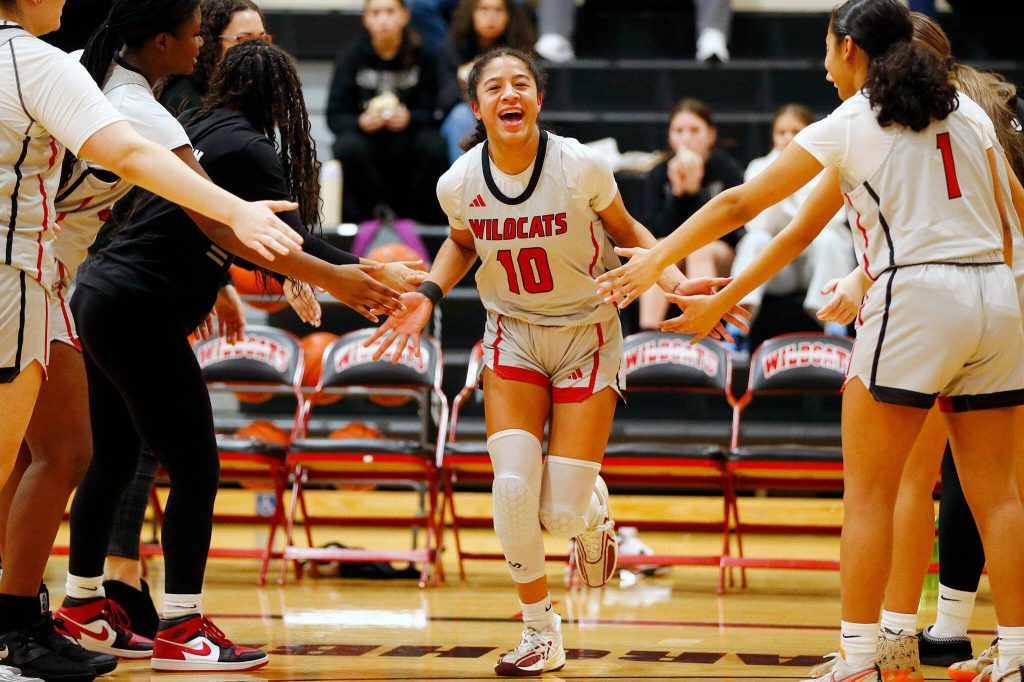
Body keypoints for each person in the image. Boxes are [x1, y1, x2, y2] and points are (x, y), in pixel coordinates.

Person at [595, 1, 1024, 681]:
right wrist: (735, 296)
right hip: (998, 297)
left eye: (827, 51)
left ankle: (860, 656)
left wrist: (657, 258)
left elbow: (743, 205)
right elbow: (1014, 217)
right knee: (1000, 492)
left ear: (851, 49)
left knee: (871, 493)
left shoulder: (854, 120)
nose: (823, 68)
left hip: (916, 298)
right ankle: (1018, 653)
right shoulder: (968, 114)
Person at [365, 46, 747, 677]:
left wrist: (675, 281)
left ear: (538, 99)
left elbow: (628, 234)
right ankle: (541, 629)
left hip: (586, 334)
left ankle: (593, 513)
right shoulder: (457, 182)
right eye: (495, 87)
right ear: (477, 105)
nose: (509, 94)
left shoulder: (580, 166)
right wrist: (429, 291)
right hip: (511, 333)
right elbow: (464, 243)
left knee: (560, 514)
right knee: (512, 489)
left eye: (522, 84)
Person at [51, 40, 411, 674]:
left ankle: (83, 606)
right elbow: (285, 245)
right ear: (282, 99)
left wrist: (362, 268)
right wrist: (354, 277)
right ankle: (183, 628)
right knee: (196, 470)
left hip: (97, 297)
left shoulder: (197, 127)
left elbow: (254, 244)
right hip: (141, 312)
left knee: (111, 459)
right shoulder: (251, 149)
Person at [0, 0, 301, 676]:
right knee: (37, 462)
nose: (67, 0)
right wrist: (240, 214)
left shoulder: (76, 70)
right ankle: (102, 618)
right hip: (26, 274)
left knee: (69, 452)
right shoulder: (47, 66)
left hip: (62, 281)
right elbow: (146, 166)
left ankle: (33, 615)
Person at [872, 12, 1024, 681]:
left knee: (916, 476)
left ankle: (891, 641)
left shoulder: (915, 114)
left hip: (955, 296)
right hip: (1000, 293)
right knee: (994, 484)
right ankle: (987, 639)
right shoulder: (984, 103)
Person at [728, 104, 854, 346]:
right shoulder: (758, 167)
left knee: (830, 240)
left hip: (815, 267)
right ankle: (737, 329)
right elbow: (758, 225)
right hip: (777, 268)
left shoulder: (830, 165)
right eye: (781, 132)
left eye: (795, 131)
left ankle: (835, 328)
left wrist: (793, 182)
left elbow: (832, 220)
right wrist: (779, 183)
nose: (787, 138)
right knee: (754, 240)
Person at [326, 0, 448, 224]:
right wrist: (360, 122)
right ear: (366, 19)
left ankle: (422, 223)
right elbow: (334, 115)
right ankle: (371, 218)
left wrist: (410, 118)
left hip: (409, 135)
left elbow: (435, 110)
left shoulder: (424, 54)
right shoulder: (351, 56)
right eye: (375, 13)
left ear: (405, 15)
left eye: (390, 12)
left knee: (435, 146)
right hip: (367, 137)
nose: (383, 19)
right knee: (347, 146)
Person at [639, 98, 743, 331]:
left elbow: (732, 229)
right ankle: (647, 332)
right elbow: (653, 229)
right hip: (675, 251)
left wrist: (695, 192)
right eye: (679, 131)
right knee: (658, 251)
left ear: (710, 135)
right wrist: (678, 194)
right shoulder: (658, 173)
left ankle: (707, 328)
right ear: (670, 137)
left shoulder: (726, 170)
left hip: (720, 251)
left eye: (694, 130)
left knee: (699, 248)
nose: (686, 138)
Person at [438, 0, 535, 164]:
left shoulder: (521, 51)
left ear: (509, 16)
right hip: (466, 116)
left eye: (498, 10)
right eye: (483, 9)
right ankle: (467, 184)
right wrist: (470, 82)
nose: (491, 17)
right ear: (471, 14)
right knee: (460, 116)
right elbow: (444, 101)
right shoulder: (452, 48)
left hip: (508, 111)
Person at [157, 0, 267, 115]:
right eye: (244, 40)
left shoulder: (246, 92)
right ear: (212, 43)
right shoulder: (183, 99)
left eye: (263, 39)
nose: (258, 48)